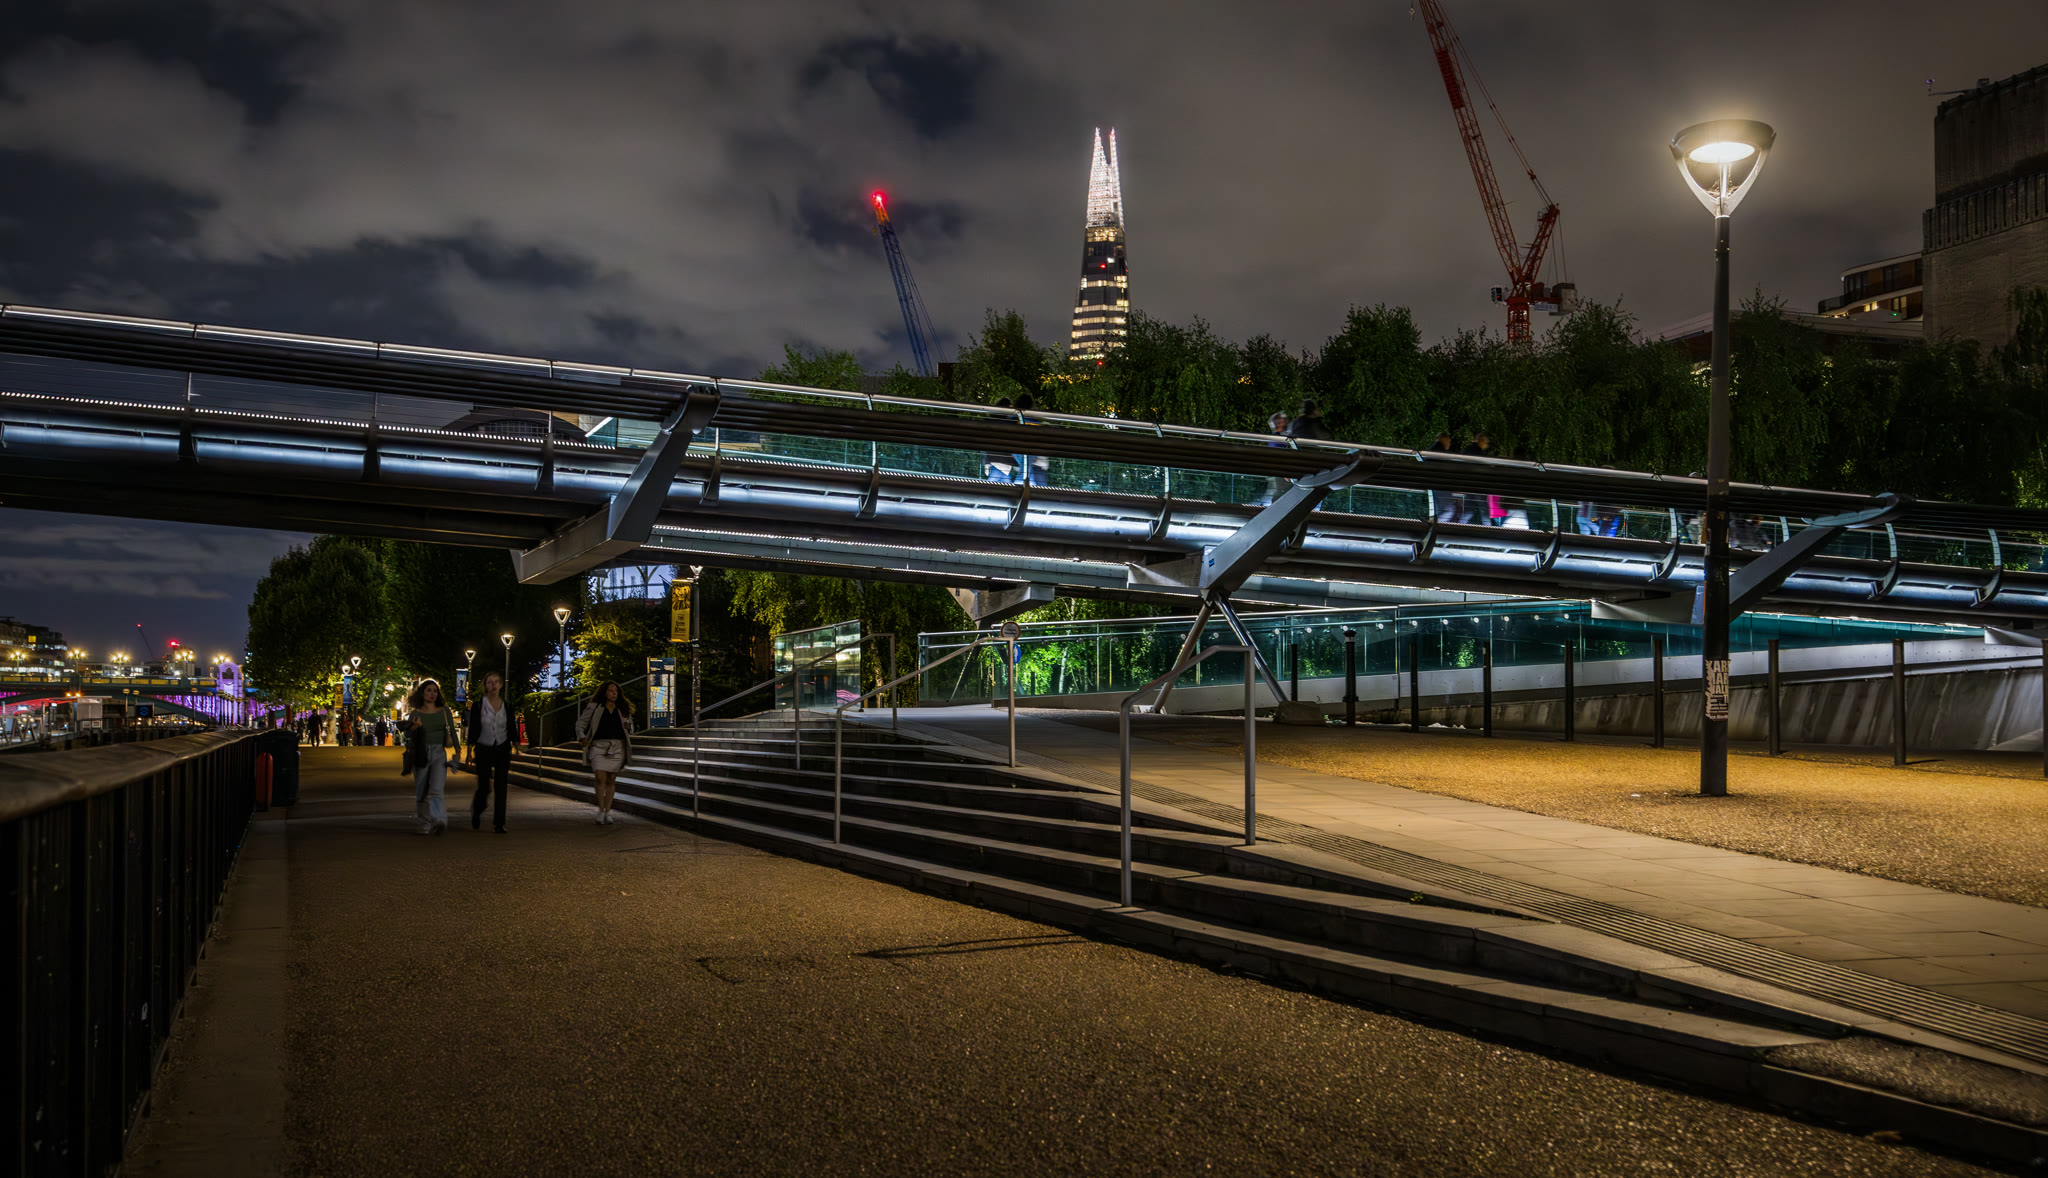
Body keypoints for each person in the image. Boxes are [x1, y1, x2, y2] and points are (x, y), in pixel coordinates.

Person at [403, 679, 457, 835]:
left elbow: (452, 731)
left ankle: (439, 820)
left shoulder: (444, 711)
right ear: (422, 693)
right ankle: (424, 823)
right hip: (421, 753)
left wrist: (458, 750)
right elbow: (407, 734)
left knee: (437, 789)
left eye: (435, 691)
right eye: (429, 690)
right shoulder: (415, 713)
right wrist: (415, 726)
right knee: (422, 791)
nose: (432, 693)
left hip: (439, 752)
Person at [575, 682, 634, 825]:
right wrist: (582, 737)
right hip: (598, 746)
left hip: (617, 746)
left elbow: (630, 728)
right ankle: (601, 810)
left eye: (616, 691)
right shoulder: (594, 707)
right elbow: (580, 724)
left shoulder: (622, 708)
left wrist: (629, 727)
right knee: (600, 776)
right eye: (610, 690)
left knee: (611, 779)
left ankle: (607, 811)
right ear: (604, 692)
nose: (613, 693)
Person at [465, 670, 513, 833]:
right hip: (483, 747)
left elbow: (511, 727)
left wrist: (516, 746)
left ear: (500, 685)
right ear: (485, 686)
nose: (493, 685)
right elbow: (473, 729)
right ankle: (477, 809)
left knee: (501, 786)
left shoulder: (507, 706)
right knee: (484, 786)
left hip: (502, 748)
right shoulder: (479, 706)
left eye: (496, 682)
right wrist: (469, 751)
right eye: (490, 682)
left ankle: (499, 823)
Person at [984, 397, 1018, 482]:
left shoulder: (991, 420)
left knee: (999, 482)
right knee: (1003, 482)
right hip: (1004, 461)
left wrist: (987, 462)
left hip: (994, 459)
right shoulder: (1009, 423)